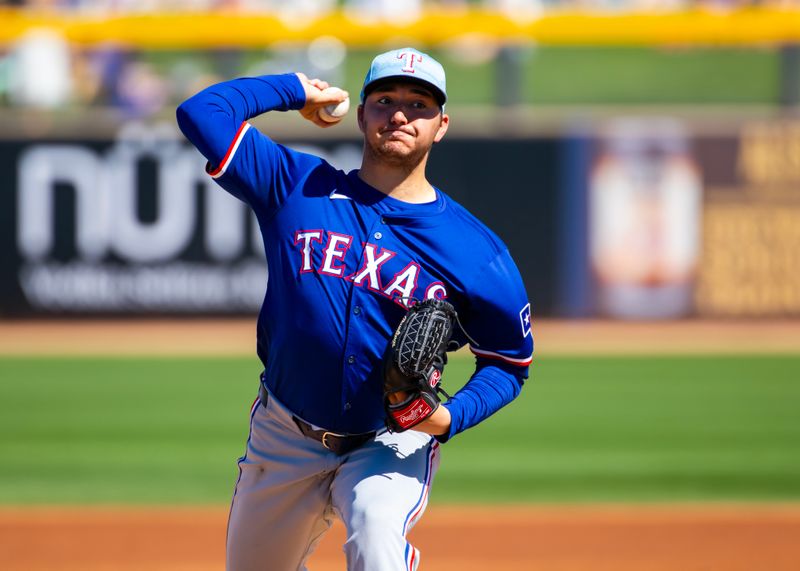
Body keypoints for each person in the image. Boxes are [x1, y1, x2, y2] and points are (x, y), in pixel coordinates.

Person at [176, 46, 534, 571]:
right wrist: (297, 88)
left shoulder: (477, 253)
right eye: (385, 100)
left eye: (420, 105)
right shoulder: (296, 186)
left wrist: (448, 416)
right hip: (284, 434)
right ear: (362, 114)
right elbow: (201, 114)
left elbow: (509, 364)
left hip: (390, 441)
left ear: (442, 125)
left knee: (375, 539)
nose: (400, 114)